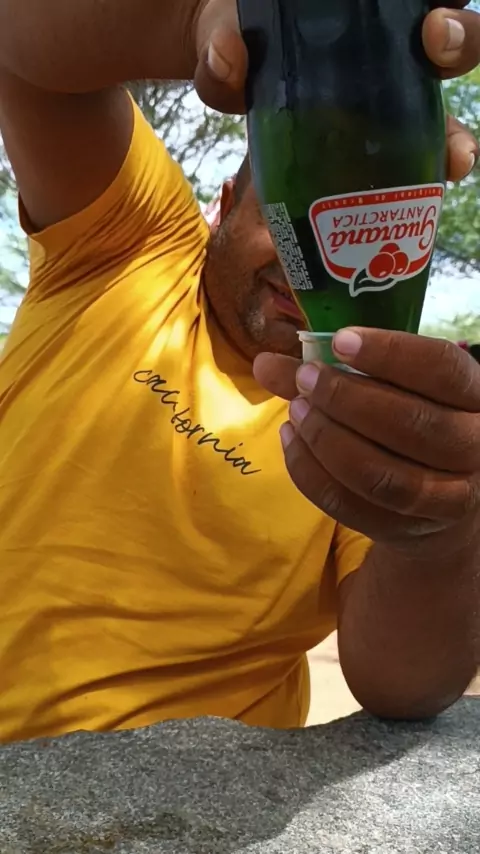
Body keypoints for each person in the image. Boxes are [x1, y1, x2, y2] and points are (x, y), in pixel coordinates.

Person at [0, 0, 478, 744]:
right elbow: (20, 46)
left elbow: (400, 680)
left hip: (167, 796)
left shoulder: (370, 414)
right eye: (290, 209)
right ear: (224, 205)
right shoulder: (130, 247)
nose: (314, 260)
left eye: (352, 229)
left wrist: (442, 532)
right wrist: (198, 20)